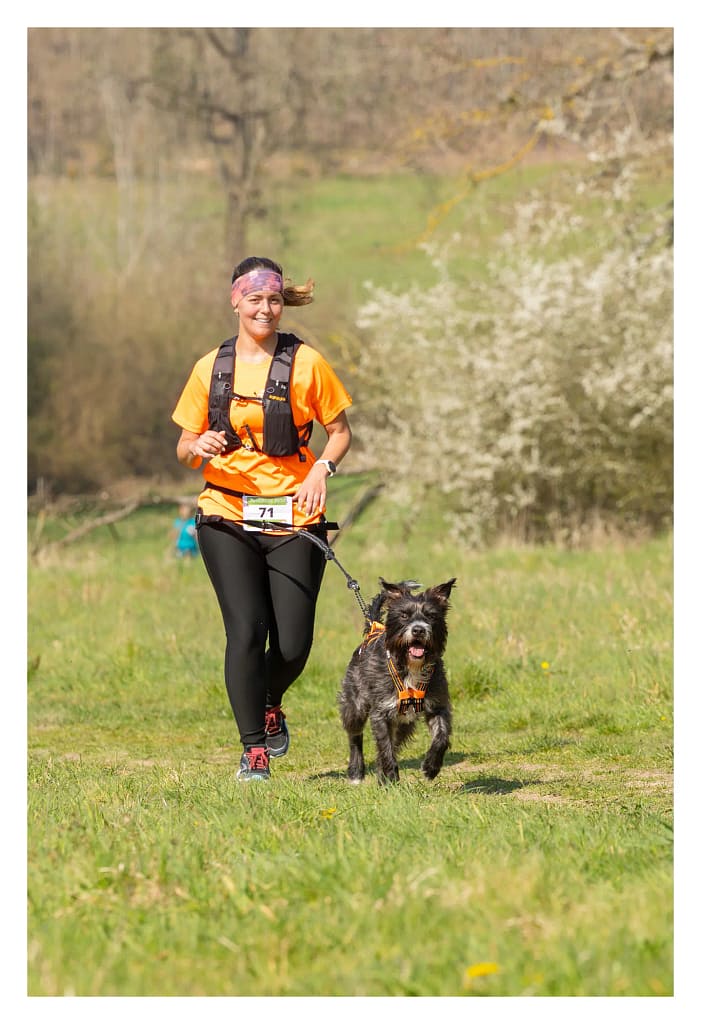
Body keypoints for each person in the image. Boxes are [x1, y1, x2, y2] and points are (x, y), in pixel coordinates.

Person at [172, 256, 352, 781]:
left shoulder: (308, 364)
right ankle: (253, 747)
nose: (265, 309)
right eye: (254, 300)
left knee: (293, 644)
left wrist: (322, 468)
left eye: (273, 299)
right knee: (246, 635)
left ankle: (269, 699)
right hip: (225, 514)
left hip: (294, 518)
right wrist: (197, 445)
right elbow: (185, 448)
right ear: (235, 301)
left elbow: (340, 431)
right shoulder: (209, 368)